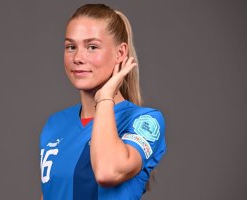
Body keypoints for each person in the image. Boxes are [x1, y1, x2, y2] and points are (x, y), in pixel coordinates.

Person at [39, 4, 166, 200]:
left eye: (92, 47)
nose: (78, 58)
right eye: (71, 47)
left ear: (120, 53)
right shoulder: (55, 124)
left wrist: (105, 96)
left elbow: (107, 172)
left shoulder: (144, 121)